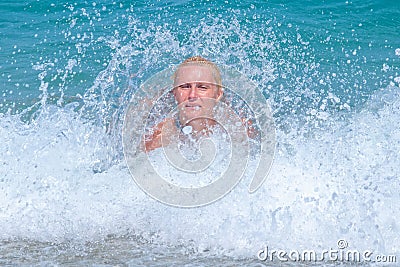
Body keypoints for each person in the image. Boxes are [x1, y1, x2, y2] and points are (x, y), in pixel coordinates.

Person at [144, 56, 255, 152]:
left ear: (218, 95)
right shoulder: (158, 137)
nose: (192, 95)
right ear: (174, 93)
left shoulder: (240, 132)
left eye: (202, 87)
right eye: (185, 87)